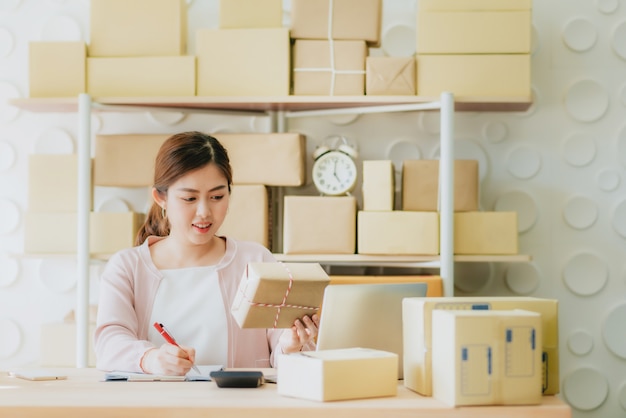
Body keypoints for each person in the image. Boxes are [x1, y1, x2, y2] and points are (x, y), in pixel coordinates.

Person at [94, 131, 319, 375]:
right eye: (189, 198)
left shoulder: (255, 261)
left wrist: (291, 345)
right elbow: (109, 343)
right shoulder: (127, 266)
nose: (204, 212)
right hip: (158, 408)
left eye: (217, 196)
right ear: (161, 198)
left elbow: (281, 353)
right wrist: (150, 358)